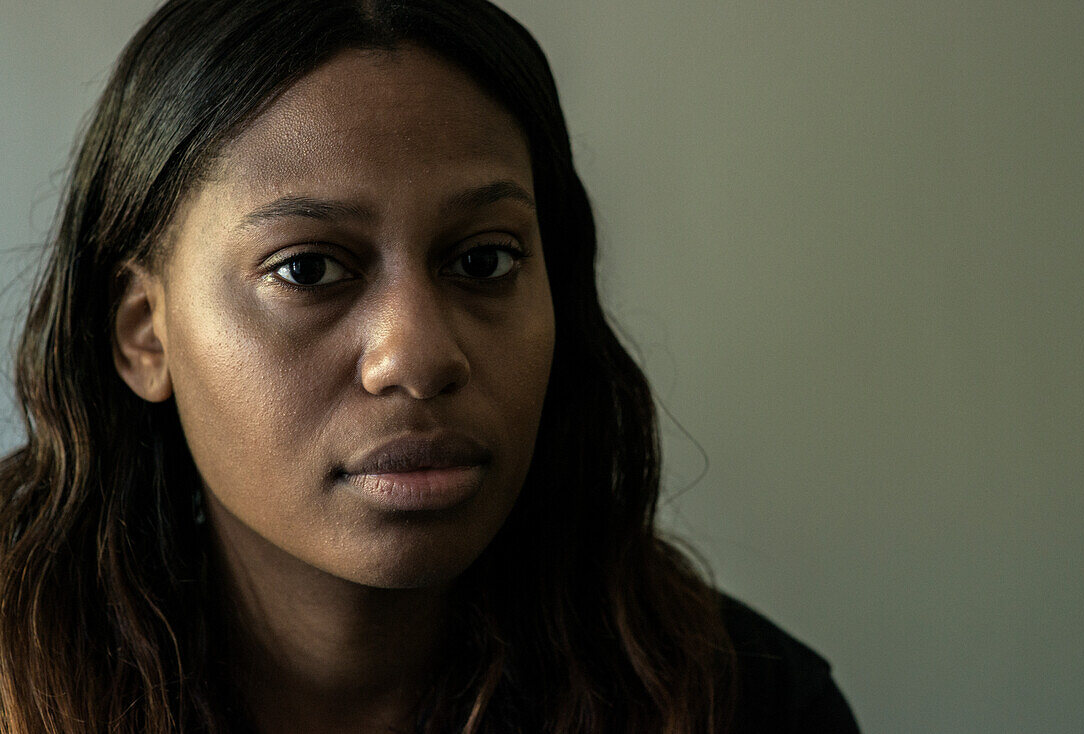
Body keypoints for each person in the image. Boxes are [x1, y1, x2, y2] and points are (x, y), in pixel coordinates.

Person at [0, 1, 859, 732]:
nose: (416, 357)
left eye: (483, 262)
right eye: (307, 269)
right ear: (144, 334)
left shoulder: (742, 705)